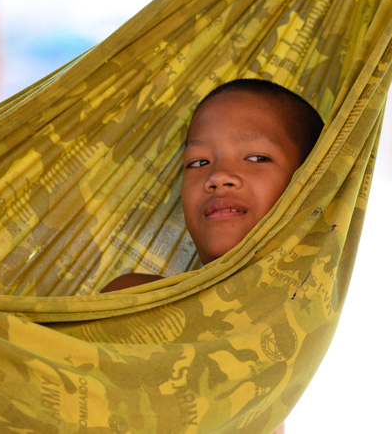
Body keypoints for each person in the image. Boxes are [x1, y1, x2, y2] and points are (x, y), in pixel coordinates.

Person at [101, 79, 323, 293]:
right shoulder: (134, 298)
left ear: (313, 178)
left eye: (257, 158)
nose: (217, 176)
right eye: (199, 162)